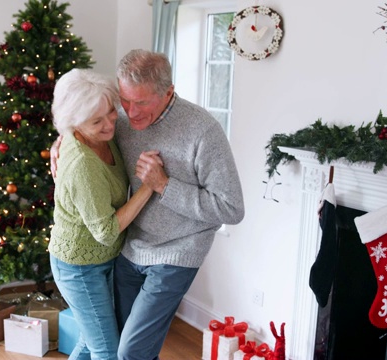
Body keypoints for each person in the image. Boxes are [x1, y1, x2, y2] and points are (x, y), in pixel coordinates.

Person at [52, 49, 245, 360]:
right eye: (124, 101)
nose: (130, 112)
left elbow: (231, 209)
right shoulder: (120, 120)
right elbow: (84, 128)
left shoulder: (202, 131)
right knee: (109, 344)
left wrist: (165, 186)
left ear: (168, 92)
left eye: (140, 103)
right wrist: (60, 141)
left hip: (177, 253)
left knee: (131, 351)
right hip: (130, 248)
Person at [48, 68, 155, 360]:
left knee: (93, 340)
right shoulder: (83, 165)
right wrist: (149, 187)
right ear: (75, 123)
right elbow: (106, 231)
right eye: (97, 121)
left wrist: (57, 143)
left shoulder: (98, 133)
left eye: (110, 112)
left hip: (102, 259)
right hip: (79, 267)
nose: (110, 124)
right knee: (106, 350)